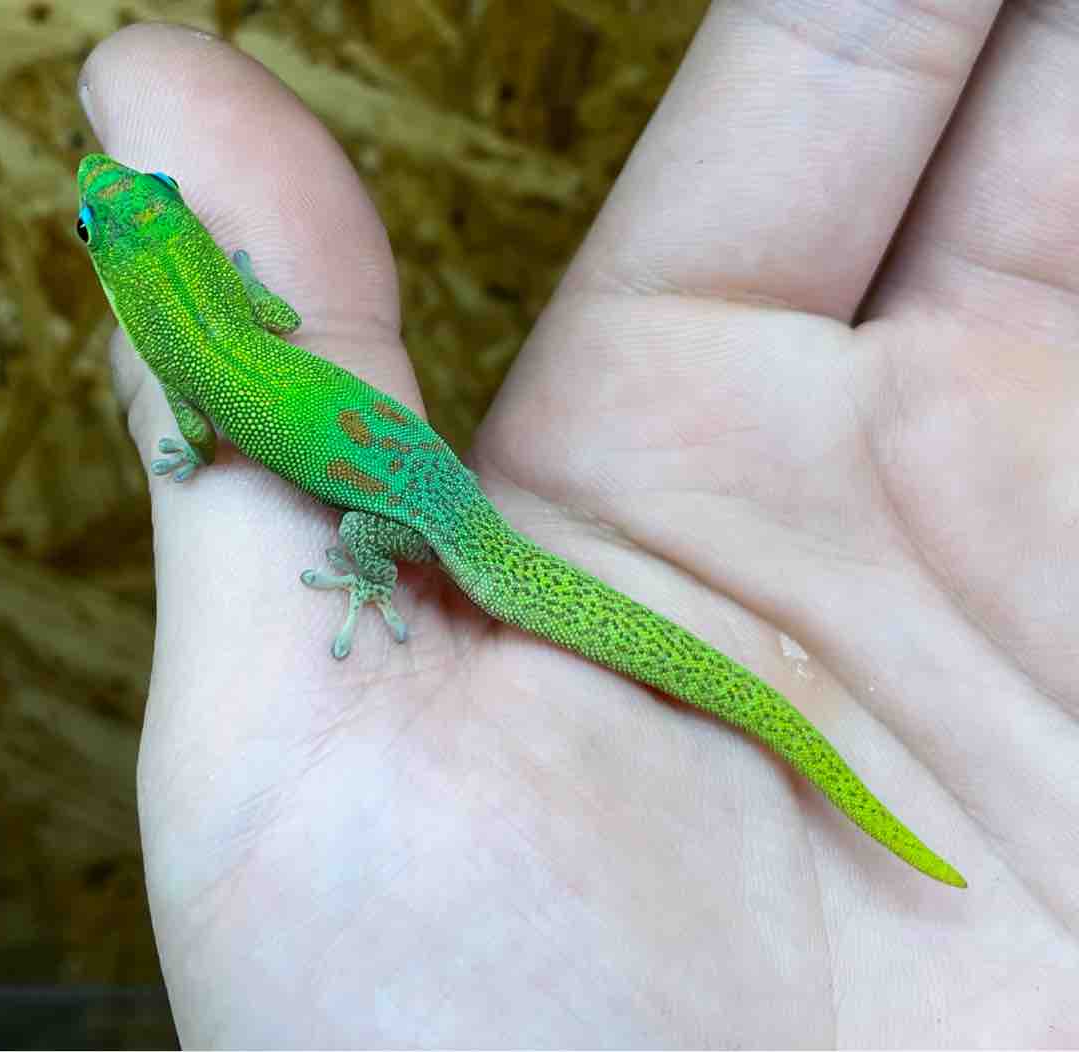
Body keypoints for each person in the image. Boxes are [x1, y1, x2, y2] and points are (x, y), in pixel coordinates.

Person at [77, 9, 1078, 1045]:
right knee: (560, 599)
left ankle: (368, 569)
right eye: (98, 222)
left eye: (131, 203)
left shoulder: (189, 377)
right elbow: (282, 320)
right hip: (435, 480)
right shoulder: (244, 325)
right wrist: (241, 286)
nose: (99, 189)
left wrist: (243, 488)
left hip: (409, 517)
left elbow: (197, 436)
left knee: (398, 549)